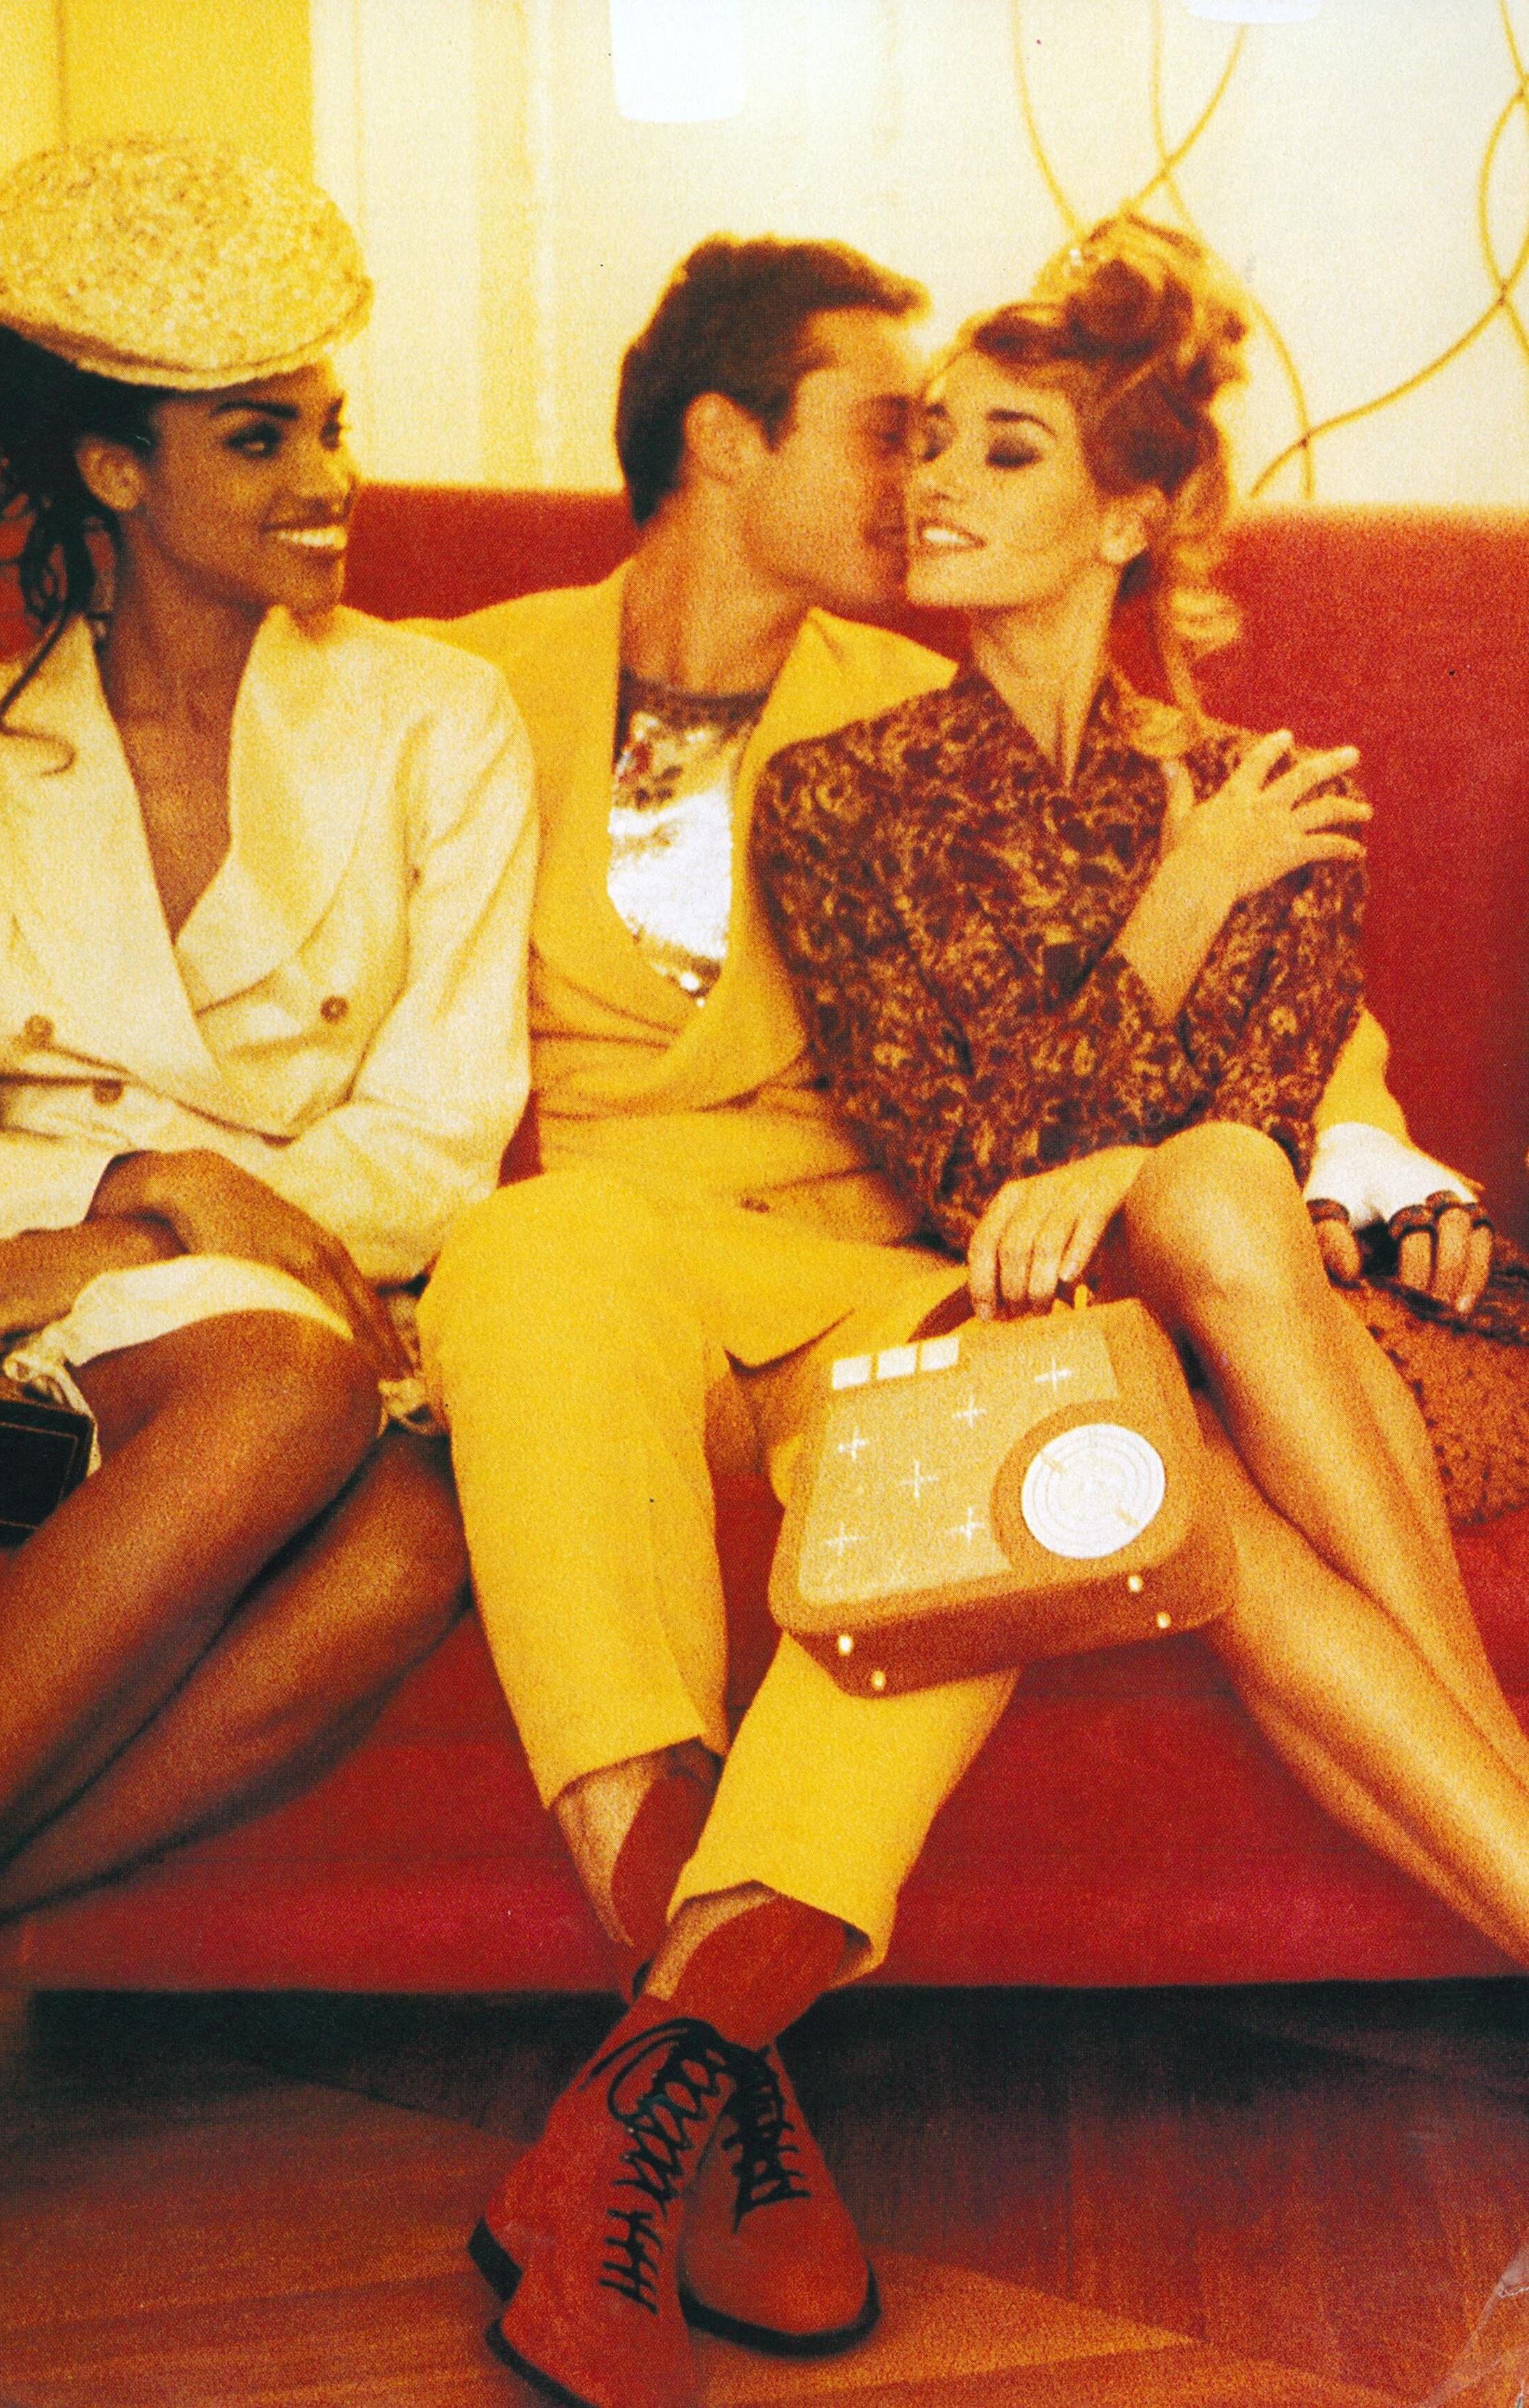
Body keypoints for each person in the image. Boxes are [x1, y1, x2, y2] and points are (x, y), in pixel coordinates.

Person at [413, 233, 1451, 2408]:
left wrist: (1374, 1173)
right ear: (725, 441)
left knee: (1004, 1411)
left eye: (963, 443)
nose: (920, 482)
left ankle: (660, 2087)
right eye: (890, 431)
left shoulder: (918, 714)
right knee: (528, 1258)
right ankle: (719, 2083)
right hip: (607, 1247)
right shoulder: (457, 688)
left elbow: (1291, 1056)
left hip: (886, 1264)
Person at [0, 135, 535, 2370]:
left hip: (328, 1283)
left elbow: (444, 1133)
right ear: (111, 463)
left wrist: (180, 1198)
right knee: (277, 1380)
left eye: (331, 422)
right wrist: (118, 1219)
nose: (329, 478)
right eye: (260, 436)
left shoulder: (440, 726)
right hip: (12, 1318)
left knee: (417, 1532)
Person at [753, 210, 1529, 2229]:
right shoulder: (835, 800)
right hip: (1032, 1332)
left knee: (1221, 1195)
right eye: (928, 437)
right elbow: (971, 1175)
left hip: (1254, 1321)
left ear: (1125, 520)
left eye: (1003, 449)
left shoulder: (1275, 790)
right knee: (1189, 1259)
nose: (932, 480)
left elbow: (1257, 1144)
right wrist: (1181, 909)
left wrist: (1131, 1153)